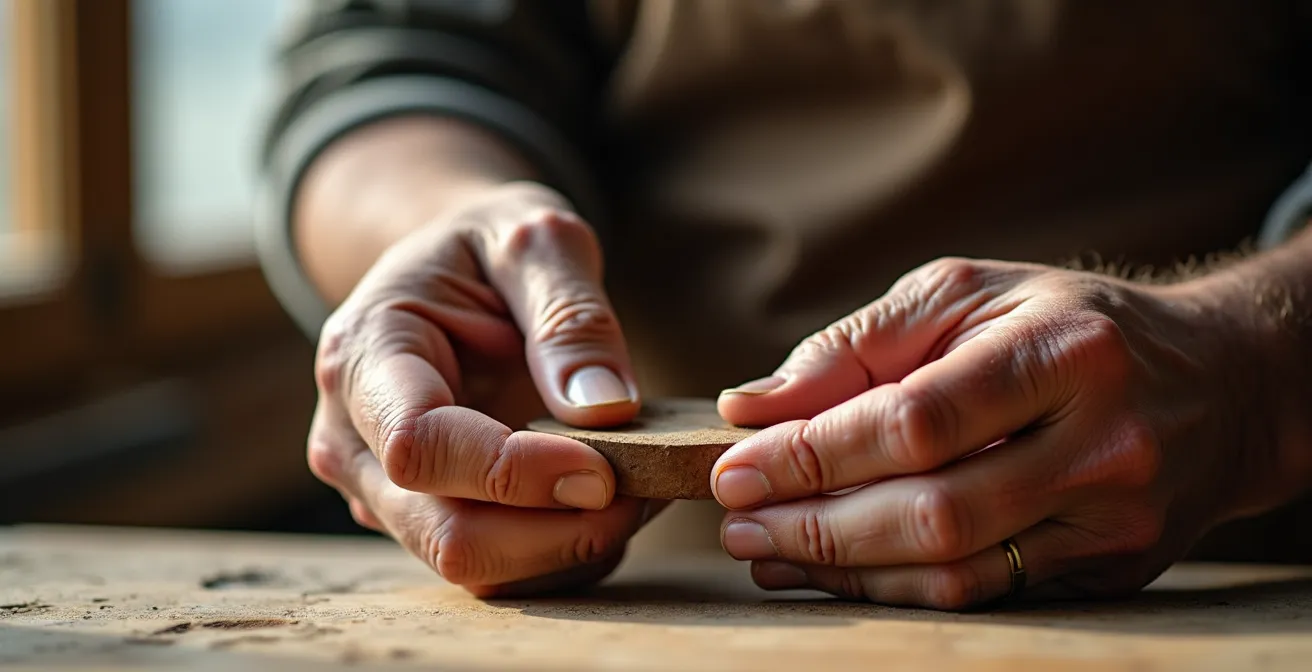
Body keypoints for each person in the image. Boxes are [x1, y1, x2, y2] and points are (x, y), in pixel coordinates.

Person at [254, 0, 1312, 609]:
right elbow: (394, 57)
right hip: (645, 604)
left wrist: (1249, 367)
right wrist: (450, 226)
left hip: (1221, 588)